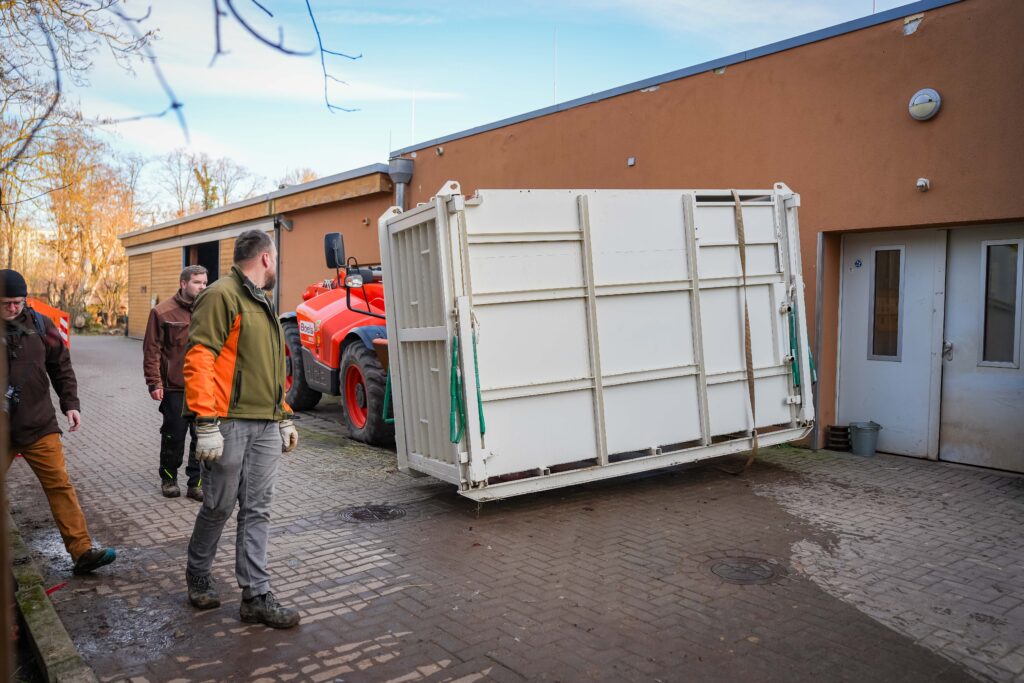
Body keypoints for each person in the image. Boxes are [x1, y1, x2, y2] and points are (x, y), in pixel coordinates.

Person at [182, 230, 300, 629]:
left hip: (265, 423)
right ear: (266, 258)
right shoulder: (221, 295)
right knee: (218, 504)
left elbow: (268, 370)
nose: (277, 264)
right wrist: (206, 422)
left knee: (258, 508)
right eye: (277, 257)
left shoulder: (263, 303)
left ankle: (256, 594)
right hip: (227, 422)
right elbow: (200, 358)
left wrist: (282, 413)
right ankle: (198, 573)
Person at [2, 269, 116, 575]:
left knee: (60, 486)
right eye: (6, 303)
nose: (13, 308)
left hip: (39, 423)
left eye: (18, 302)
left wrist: (71, 405)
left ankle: (82, 552)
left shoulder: (42, 324)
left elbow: (61, 366)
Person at [143, 265, 208, 500]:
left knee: (203, 437)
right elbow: (152, 350)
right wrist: (154, 382)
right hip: (174, 387)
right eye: (197, 282)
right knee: (174, 436)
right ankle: (169, 479)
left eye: (204, 282)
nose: (202, 286)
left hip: (204, 387)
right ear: (183, 284)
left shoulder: (210, 310)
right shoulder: (162, 312)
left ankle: (196, 484)